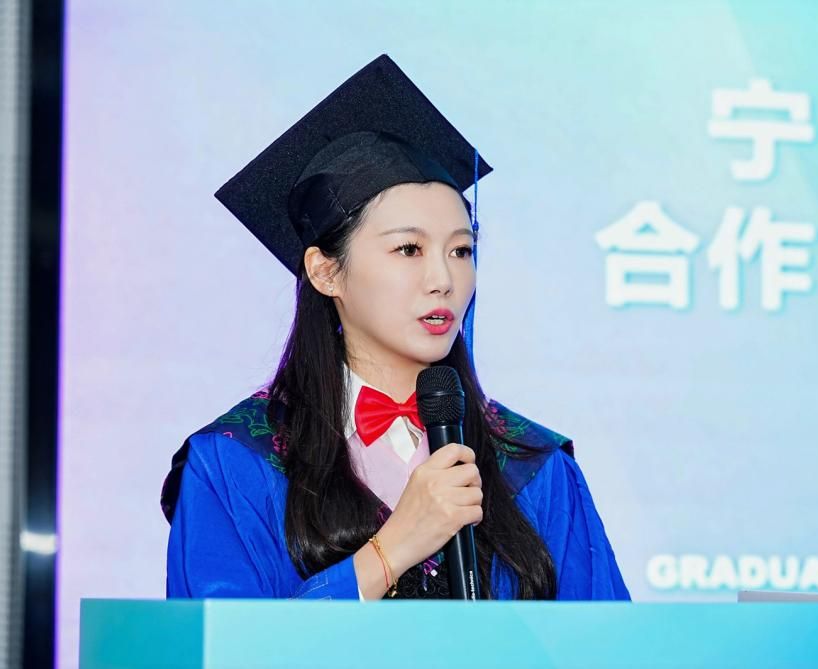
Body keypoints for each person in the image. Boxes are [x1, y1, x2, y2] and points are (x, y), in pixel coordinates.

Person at [161, 54, 630, 601]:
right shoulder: (233, 462)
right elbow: (222, 642)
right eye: (409, 249)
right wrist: (394, 548)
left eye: (461, 250)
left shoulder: (532, 464)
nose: (443, 280)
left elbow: (602, 638)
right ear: (325, 271)